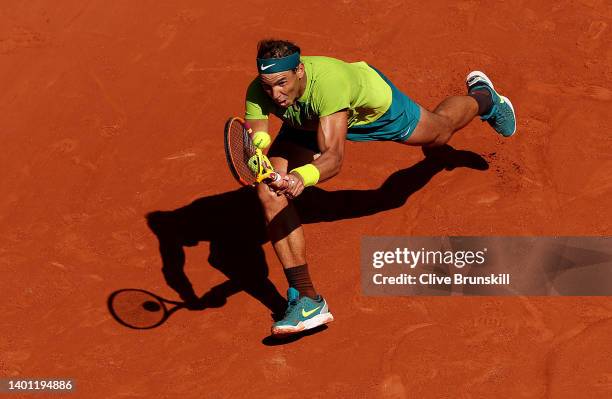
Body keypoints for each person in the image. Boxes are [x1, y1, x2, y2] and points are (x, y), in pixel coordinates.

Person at [244, 39, 516, 336]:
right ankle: (307, 299)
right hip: (306, 124)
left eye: (282, 83)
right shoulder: (260, 90)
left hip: (372, 111)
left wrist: (300, 177)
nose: (276, 94)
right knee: (268, 191)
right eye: (268, 86)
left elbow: (332, 159)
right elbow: (257, 138)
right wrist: (261, 159)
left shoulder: (329, 83)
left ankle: (484, 98)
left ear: (298, 69)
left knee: (437, 134)